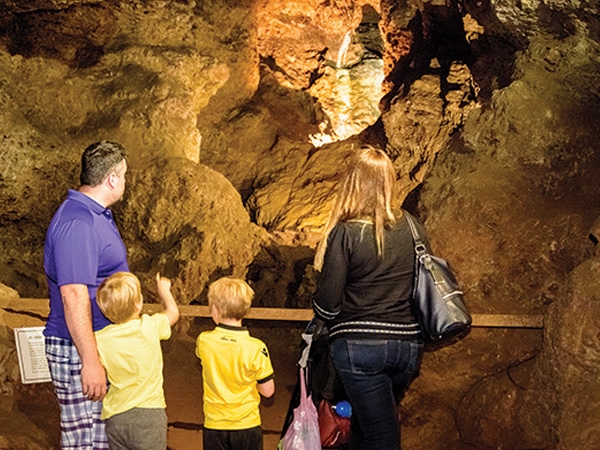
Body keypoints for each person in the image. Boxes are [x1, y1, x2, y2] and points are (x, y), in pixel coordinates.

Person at [312, 145, 426, 450]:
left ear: (352, 182)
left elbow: (328, 304)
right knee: (365, 426)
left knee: (380, 435)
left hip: (360, 349)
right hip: (407, 346)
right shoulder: (413, 227)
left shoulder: (346, 233)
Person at [43, 140, 129, 449]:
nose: (125, 181)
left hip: (95, 342)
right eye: (124, 175)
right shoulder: (77, 223)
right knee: (86, 441)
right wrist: (90, 361)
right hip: (77, 348)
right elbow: (73, 295)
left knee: (101, 439)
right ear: (112, 178)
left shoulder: (95, 214)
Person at [95, 271, 179, 450]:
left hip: (116, 416)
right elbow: (173, 313)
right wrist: (164, 292)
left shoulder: (100, 339)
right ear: (138, 304)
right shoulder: (149, 326)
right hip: (149, 414)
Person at [195, 277, 275, 450]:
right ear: (246, 309)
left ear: (214, 309)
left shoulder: (204, 341)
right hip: (247, 424)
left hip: (215, 423)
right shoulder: (256, 348)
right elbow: (268, 391)